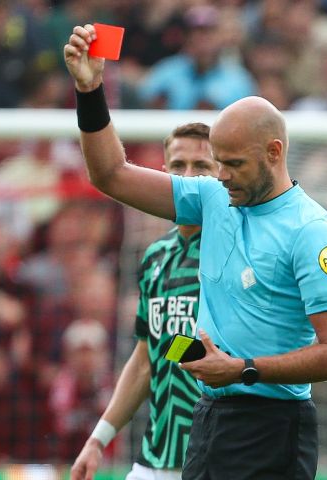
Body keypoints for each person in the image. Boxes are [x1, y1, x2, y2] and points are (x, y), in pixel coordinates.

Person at [64, 25, 327, 479]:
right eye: (217, 161)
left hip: (272, 428)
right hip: (209, 419)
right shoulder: (212, 198)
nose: (221, 175)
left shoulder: (311, 231)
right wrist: (90, 88)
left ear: (274, 153)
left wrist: (242, 370)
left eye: (234, 164)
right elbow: (110, 175)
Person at [70, 123, 217, 480]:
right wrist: (98, 438)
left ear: (221, 174)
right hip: (155, 456)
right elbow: (144, 359)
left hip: (215, 458)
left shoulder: (230, 252)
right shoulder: (156, 257)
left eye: (201, 167)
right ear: (164, 175)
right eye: (179, 166)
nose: (189, 177)